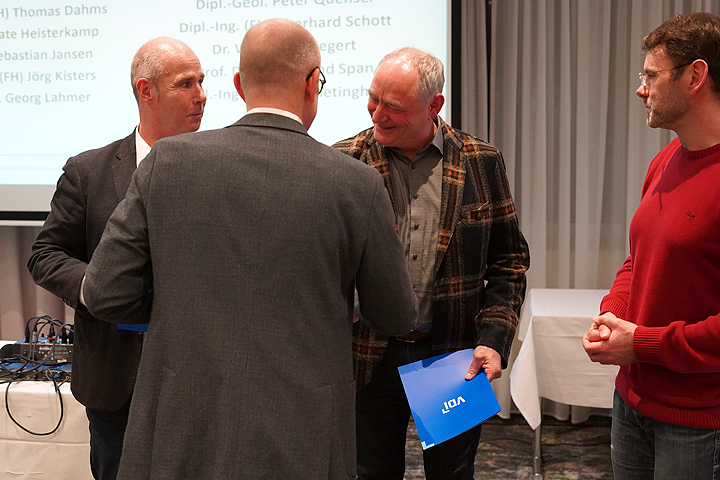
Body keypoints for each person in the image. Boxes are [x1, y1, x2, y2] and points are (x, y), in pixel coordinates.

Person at [81, 18, 419, 480]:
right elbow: (397, 315)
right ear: (311, 84)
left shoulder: (167, 162)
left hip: (181, 428)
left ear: (240, 85)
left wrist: (181, 302)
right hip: (304, 434)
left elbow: (104, 293)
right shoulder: (356, 183)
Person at [333, 47, 530, 480]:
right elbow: (323, 261)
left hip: (453, 359)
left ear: (434, 105)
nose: (377, 114)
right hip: (366, 357)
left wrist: (493, 340)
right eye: (373, 99)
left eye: (393, 106)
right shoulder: (344, 161)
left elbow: (509, 263)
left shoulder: (481, 160)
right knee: (368, 473)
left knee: (452, 474)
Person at [26, 37, 206, 480]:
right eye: (186, 84)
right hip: (116, 380)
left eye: (202, 82)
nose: (202, 95)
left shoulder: (221, 169)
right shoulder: (89, 171)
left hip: (200, 379)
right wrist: (98, 288)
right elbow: (46, 254)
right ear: (147, 90)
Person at [582, 12, 720, 480]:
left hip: (699, 422)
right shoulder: (665, 160)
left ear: (695, 77)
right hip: (633, 402)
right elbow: (638, 259)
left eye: (651, 76)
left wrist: (640, 344)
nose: (641, 90)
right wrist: (613, 316)